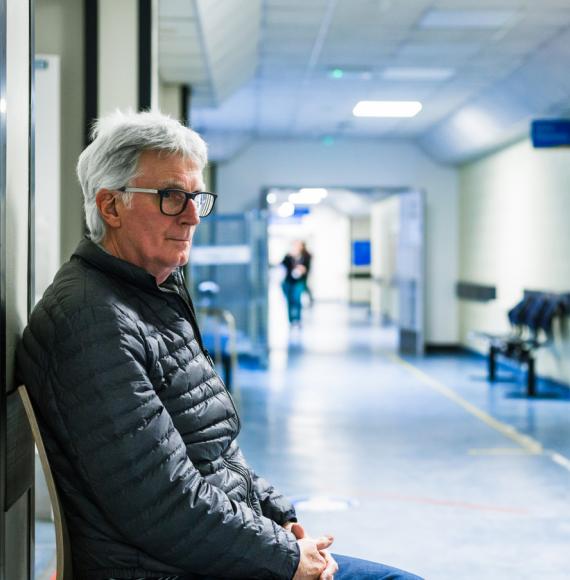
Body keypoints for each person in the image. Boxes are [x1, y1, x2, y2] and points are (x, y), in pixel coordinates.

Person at [17, 111, 422, 580]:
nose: (192, 216)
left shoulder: (152, 296)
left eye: (195, 197)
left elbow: (215, 452)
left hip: (208, 551)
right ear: (111, 207)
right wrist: (286, 558)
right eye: (171, 197)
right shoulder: (92, 321)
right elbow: (162, 503)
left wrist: (281, 519)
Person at [281, 241, 312, 326]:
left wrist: (302, 269)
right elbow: (282, 266)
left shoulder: (306, 256)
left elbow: (308, 268)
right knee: (290, 300)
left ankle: (297, 319)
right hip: (288, 282)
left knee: (297, 299)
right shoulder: (288, 256)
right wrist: (290, 256)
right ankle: (291, 319)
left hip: (299, 282)